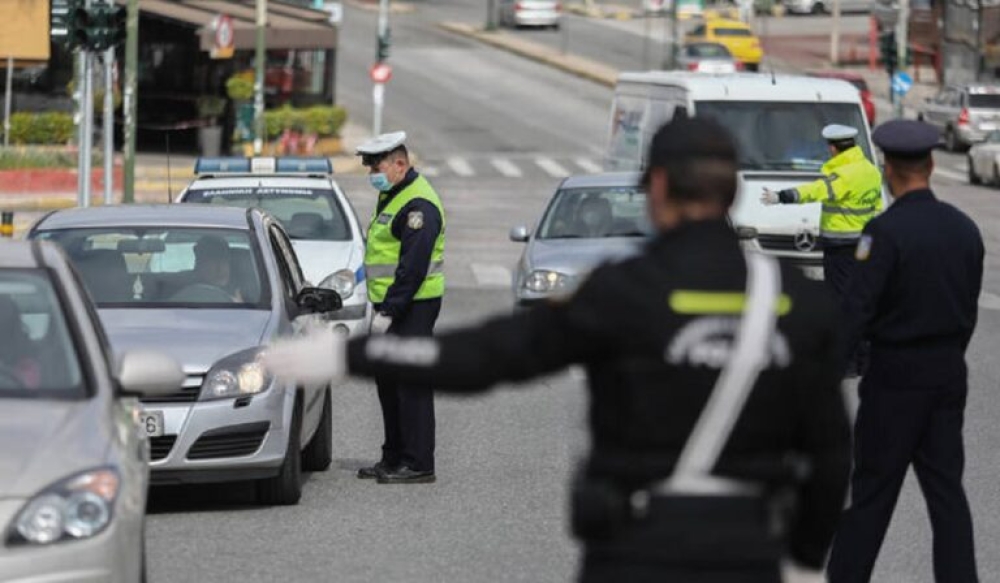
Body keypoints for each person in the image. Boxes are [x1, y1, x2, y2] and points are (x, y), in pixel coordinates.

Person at [263, 117, 851, 582]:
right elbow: (832, 456)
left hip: (634, 548)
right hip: (750, 550)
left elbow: (488, 357)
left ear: (659, 187)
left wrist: (350, 357)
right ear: (732, 192)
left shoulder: (623, 292)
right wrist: (803, 557)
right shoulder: (802, 304)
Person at [826, 120, 983, 583]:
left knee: (871, 494)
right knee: (947, 494)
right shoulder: (965, 230)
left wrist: (825, 374)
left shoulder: (883, 233)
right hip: (947, 375)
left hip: (893, 380)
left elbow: (856, 311)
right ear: (932, 165)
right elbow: (968, 309)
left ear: (888, 170)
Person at [357, 131, 447, 484]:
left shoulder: (418, 205)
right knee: (389, 384)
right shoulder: (392, 193)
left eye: (376, 166)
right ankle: (393, 457)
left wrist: (390, 311)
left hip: (413, 307)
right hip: (391, 305)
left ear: (400, 163)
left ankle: (418, 462)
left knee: (410, 385)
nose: (371, 175)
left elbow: (413, 268)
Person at [760, 124, 882, 302]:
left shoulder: (843, 175)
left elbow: (815, 190)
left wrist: (782, 196)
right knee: (861, 284)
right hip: (866, 242)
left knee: (839, 292)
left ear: (833, 148)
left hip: (841, 246)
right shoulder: (871, 170)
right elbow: (877, 207)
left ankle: (844, 326)